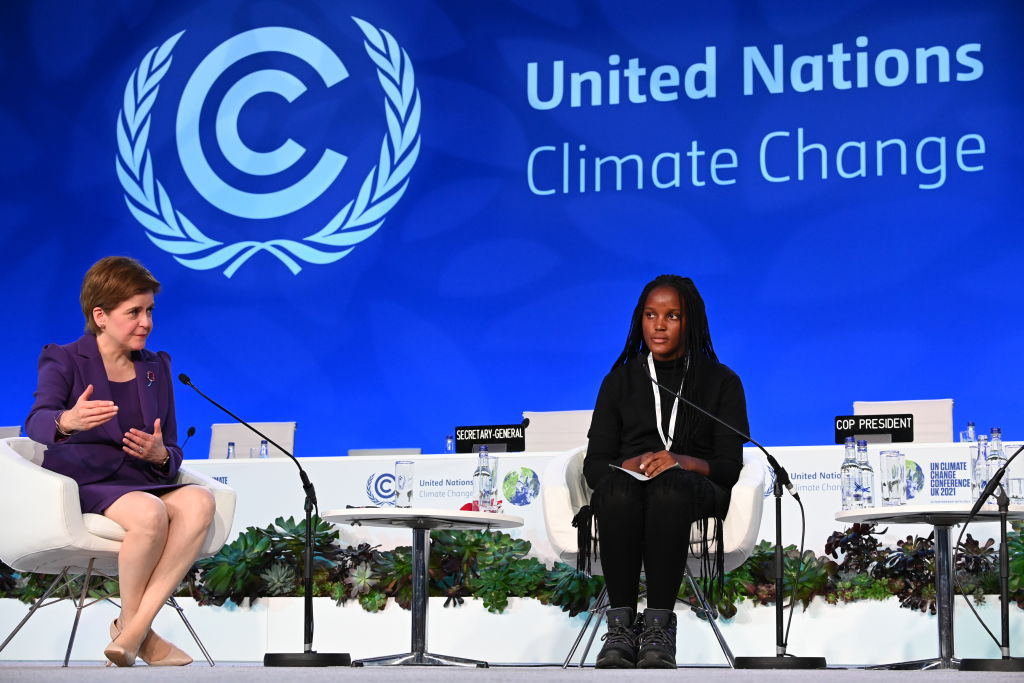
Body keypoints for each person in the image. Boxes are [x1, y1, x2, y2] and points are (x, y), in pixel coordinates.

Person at [25, 256, 215, 667]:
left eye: (149, 311)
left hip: (141, 477)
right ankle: (139, 636)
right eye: (134, 313)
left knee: (201, 501)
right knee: (149, 513)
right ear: (101, 315)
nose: (146, 322)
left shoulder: (156, 367)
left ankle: (130, 629)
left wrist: (161, 454)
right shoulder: (64, 359)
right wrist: (68, 421)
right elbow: (37, 422)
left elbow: (172, 445)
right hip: (88, 482)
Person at [583, 275, 748, 669]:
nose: (659, 325)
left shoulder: (721, 381)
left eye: (672, 316)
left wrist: (683, 461)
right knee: (619, 493)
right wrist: (626, 466)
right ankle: (620, 630)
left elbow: (728, 466)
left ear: (691, 322)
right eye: (650, 315)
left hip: (694, 488)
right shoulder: (620, 380)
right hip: (630, 486)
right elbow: (594, 464)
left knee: (669, 491)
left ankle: (658, 629)